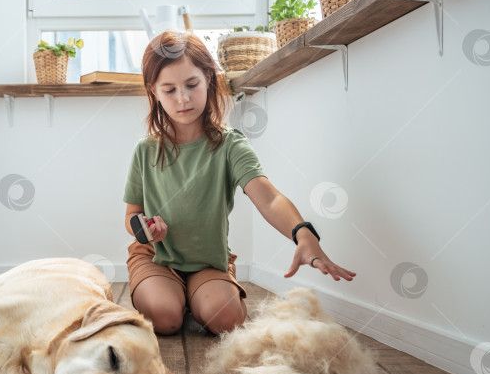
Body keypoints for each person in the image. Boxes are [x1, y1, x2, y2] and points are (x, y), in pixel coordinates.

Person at [123, 30, 355, 336]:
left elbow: (269, 199)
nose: (183, 99)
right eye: (169, 90)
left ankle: (197, 296)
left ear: (208, 78)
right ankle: (177, 298)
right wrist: (146, 229)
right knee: (165, 319)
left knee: (225, 321)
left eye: (192, 85)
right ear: (154, 91)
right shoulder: (146, 150)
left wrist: (302, 233)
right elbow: (131, 216)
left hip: (208, 262)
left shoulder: (230, 145)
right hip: (156, 259)